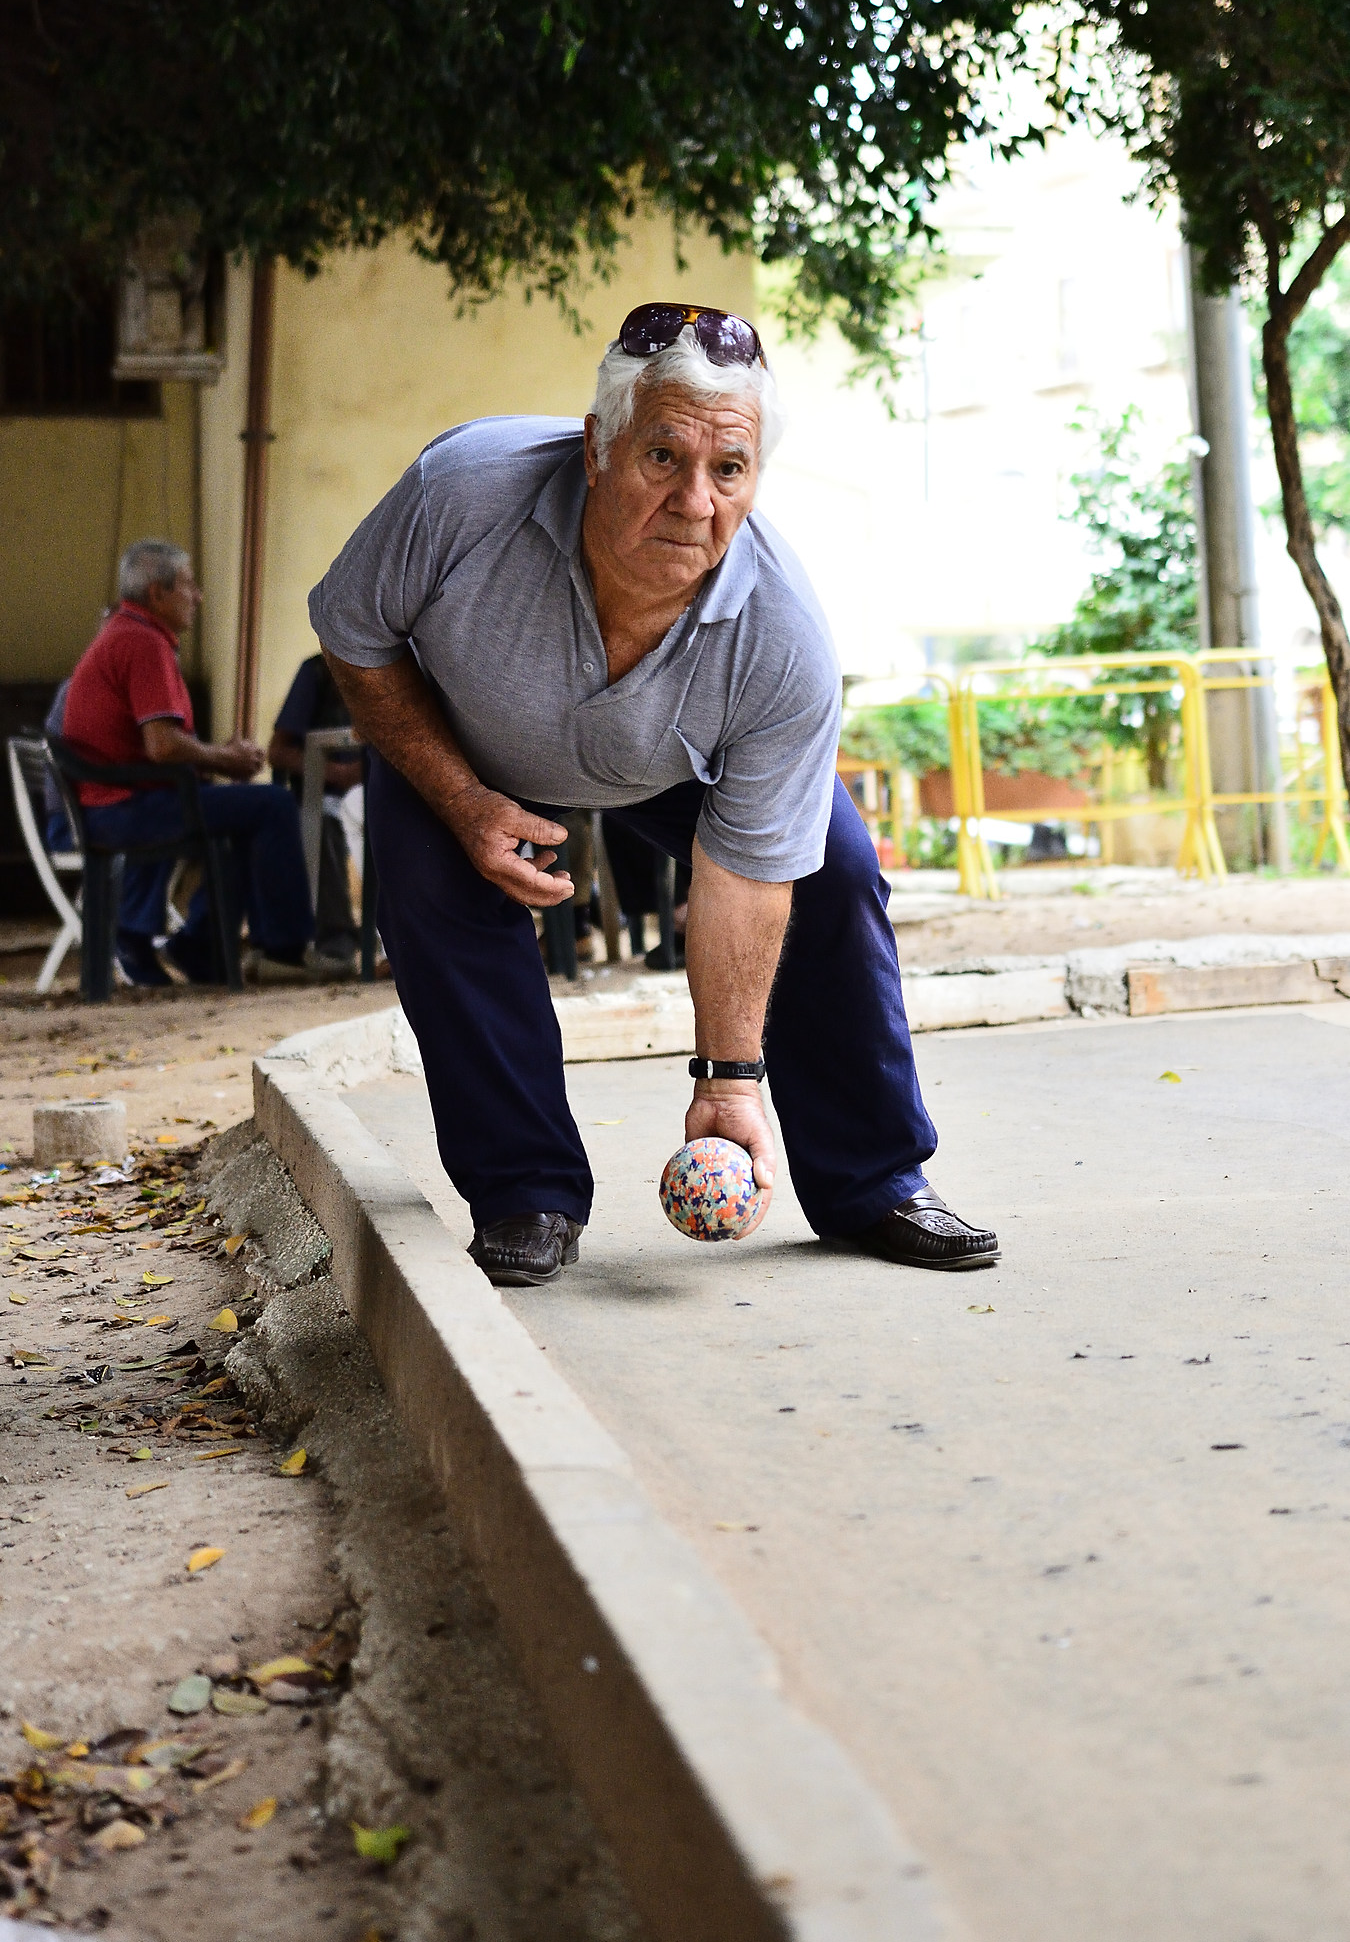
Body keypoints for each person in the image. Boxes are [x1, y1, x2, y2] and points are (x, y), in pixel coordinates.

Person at [310, 301, 998, 1285]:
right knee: (432, 891)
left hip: (666, 762)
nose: (694, 501)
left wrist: (728, 1081)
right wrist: (461, 800)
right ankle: (526, 1192)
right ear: (598, 448)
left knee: (835, 871)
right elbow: (354, 634)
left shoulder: (783, 639)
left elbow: (749, 879)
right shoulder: (462, 489)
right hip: (465, 743)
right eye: (663, 457)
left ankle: (873, 1181)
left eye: (730, 469)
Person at [61, 539, 322, 985]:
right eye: (188, 586)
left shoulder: (126, 633)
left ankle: (201, 945)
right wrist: (225, 758)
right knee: (273, 805)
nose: (198, 597)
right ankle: (284, 950)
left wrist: (217, 758)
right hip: (122, 809)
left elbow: (158, 744)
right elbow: (162, 746)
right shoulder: (143, 642)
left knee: (245, 813)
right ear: (158, 593)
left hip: (111, 802)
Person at [268, 653, 362, 967]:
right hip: (323, 796)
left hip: (373, 795)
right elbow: (278, 752)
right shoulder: (317, 673)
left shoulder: (403, 667)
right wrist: (336, 772)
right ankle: (337, 943)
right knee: (325, 823)